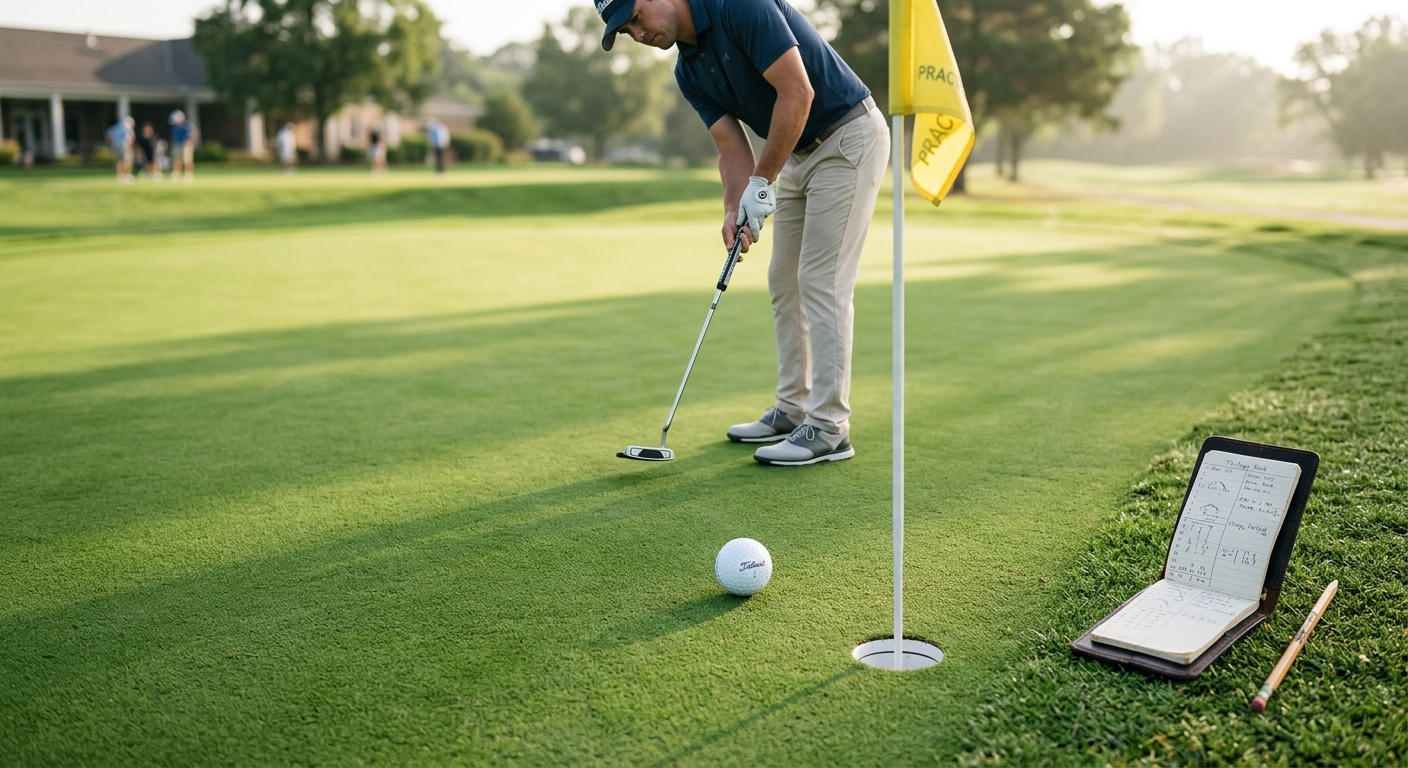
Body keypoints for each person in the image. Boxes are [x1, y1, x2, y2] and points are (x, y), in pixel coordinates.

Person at [600, 0, 888, 466]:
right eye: (626, 31)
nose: (639, 34)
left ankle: (830, 427)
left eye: (635, 18)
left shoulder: (737, 5)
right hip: (794, 152)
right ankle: (795, 410)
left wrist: (762, 181)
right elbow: (729, 144)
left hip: (847, 135)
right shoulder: (687, 72)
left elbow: (798, 92)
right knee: (783, 280)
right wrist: (736, 207)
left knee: (821, 280)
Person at [169, 110, 198, 183]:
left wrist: (191, 141)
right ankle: (176, 174)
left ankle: (188, 175)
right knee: (176, 160)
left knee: (187, 160)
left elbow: (194, 133)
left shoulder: (188, 125)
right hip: (177, 144)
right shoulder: (175, 127)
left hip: (186, 145)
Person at [105, 116, 135, 183]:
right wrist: (129, 146)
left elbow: (108, 134)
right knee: (127, 162)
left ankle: (120, 176)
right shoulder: (128, 128)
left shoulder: (115, 127)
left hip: (116, 146)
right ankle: (126, 176)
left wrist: (111, 144)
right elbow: (130, 138)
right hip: (125, 147)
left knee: (119, 162)